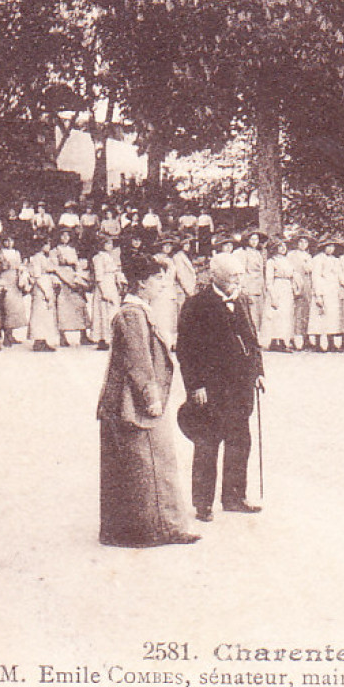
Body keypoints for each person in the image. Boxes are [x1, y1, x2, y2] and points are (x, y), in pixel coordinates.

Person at [96, 250, 201, 548]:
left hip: (130, 400)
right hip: (135, 402)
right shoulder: (132, 314)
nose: (162, 285)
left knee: (140, 465)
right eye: (157, 280)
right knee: (152, 463)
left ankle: (139, 529)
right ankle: (162, 528)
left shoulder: (138, 312)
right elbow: (138, 361)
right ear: (141, 283)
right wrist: (150, 396)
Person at [176, 253, 266, 521]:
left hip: (240, 387)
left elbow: (252, 338)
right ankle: (203, 504)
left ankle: (234, 497)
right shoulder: (196, 304)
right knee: (208, 444)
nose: (238, 280)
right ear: (216, 277)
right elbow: (186, 350)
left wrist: (258, 372)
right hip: (211, 388)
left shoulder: (240, 299)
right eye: (232, 277)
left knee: (240, 441)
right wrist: (195, 385)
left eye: (239, 276)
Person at [261, 238, 297, 352]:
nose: (283, 248)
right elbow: (269, 280)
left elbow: (292, 274)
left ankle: (283, 340)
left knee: (286, 315)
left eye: (284, 246)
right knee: (276, 315)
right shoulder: (272, 261)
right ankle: (274, 341)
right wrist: (272, 295)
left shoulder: (288, 260)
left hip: (287, 287)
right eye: (280, 246)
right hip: (277, 286)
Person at [91, 235, 125, 351]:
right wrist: (103, 291)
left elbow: (116, 272)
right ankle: (102, 339)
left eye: (111, 244)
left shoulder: (111, 257)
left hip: (111, 284)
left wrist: (119, 282)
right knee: (103, 312)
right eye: (108, 243)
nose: (110, 246)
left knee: (112, 311)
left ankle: (111, 337)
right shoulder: (98, 258)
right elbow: (99, 275)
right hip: (104, 285)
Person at [308, 239, 343, 350]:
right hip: (322, 289)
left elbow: (338, 276)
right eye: (328, 246)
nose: (330, 249)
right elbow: (316, 276)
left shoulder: (335, 260)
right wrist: (318, 294)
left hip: (333, 290)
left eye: (332, 246)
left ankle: (331, 342)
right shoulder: (318, 259)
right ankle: (318, 344)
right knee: (319, 316)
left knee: (332, 317)